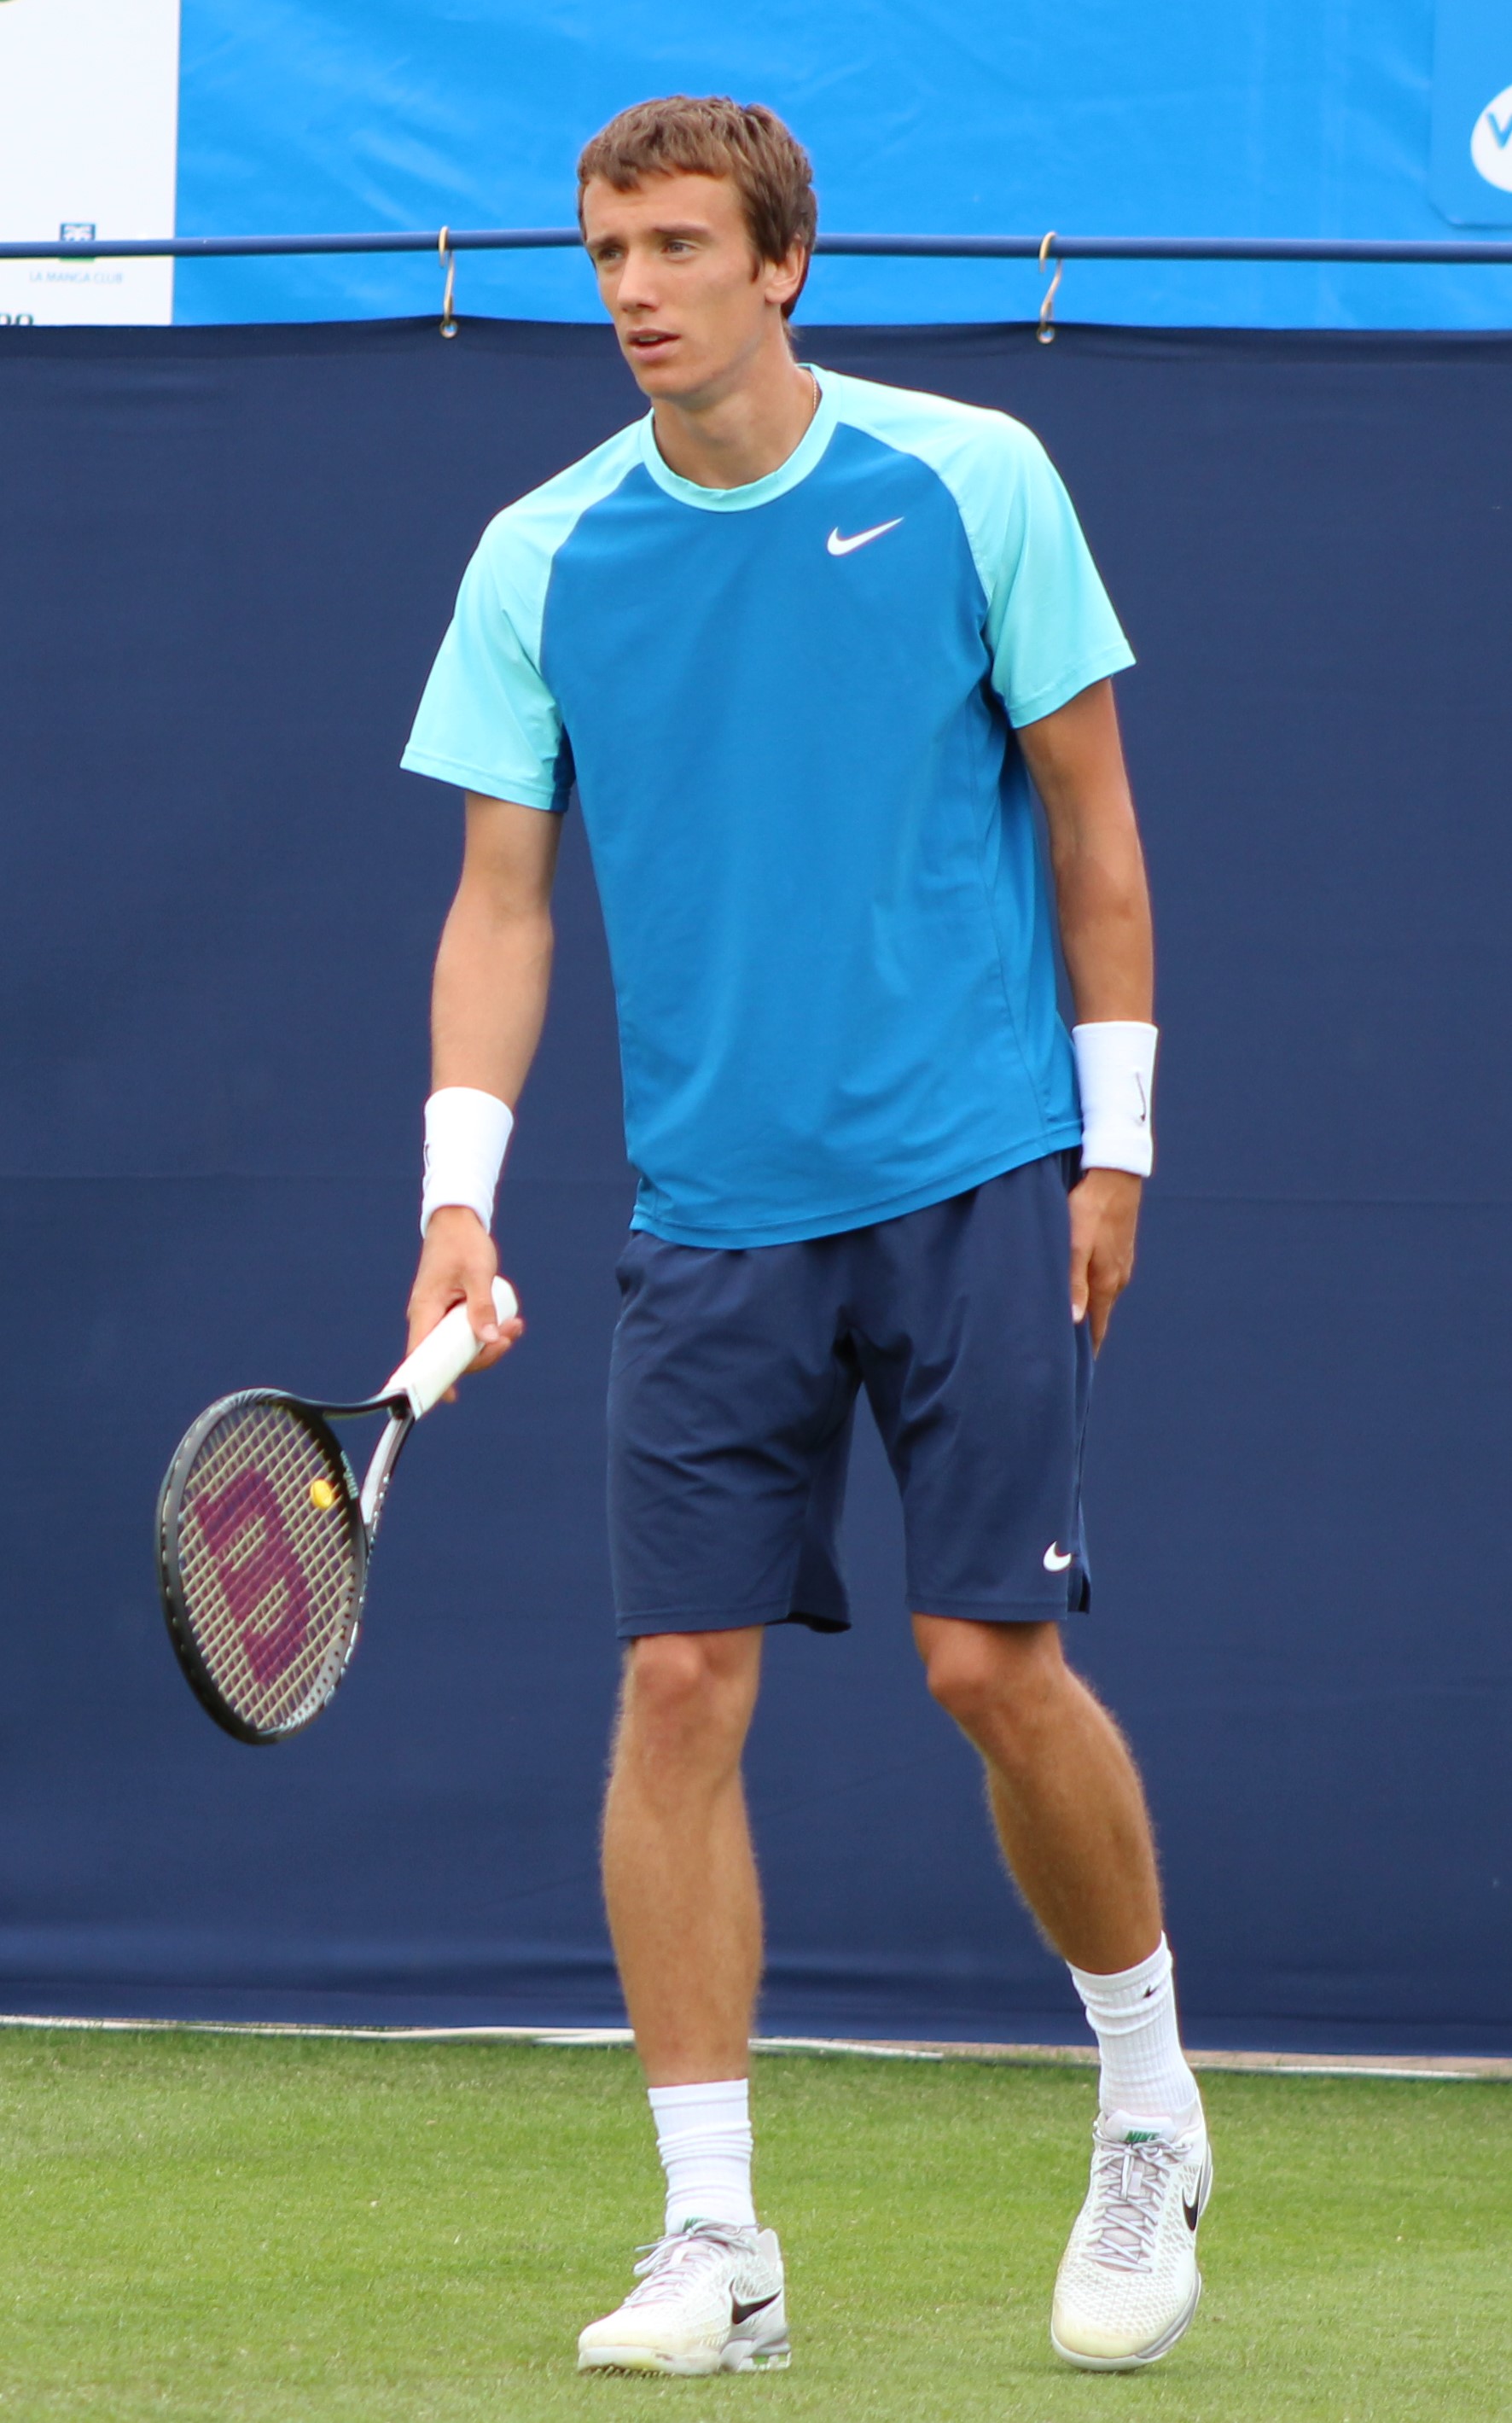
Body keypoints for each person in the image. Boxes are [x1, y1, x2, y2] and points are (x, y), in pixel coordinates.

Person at [398, 93, 1211, 2379]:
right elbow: (498, 905)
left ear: (782, 266)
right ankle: (713, 2241)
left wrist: (1115, 1149)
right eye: (602, 252)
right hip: (711, 1226)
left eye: (674, 246)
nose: (631, 290)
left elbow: (1094, 830)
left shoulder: (973, 480)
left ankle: (1148, 2113)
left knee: (986, 1670)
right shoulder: (541, 554)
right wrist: (456, 1197)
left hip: (974, 1177)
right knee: (675, 1689)